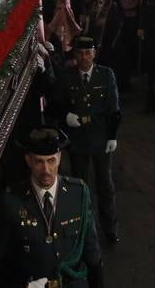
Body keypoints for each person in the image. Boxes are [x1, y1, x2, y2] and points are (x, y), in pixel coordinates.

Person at [0, 128, 103, 288]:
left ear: (59, 158)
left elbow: (92, 252)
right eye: (39, 161)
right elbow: (2, 260)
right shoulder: (11, 200)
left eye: (51, 161)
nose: (46, 170)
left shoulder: (78, 193)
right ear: (28, 160)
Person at [53, 36, 121, 245]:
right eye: (81, 53)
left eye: (88, 52)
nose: (85, 57)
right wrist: (66, 116)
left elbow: (113, 109)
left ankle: (109, 228)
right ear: (75, 55)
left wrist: (112, 136)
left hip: (100, 138)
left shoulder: (105, 75)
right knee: (81, 187)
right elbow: (55, 104)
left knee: (105, 186)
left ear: (94, 54)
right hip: (78, 140)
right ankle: (86, 231)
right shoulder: (67, 77)